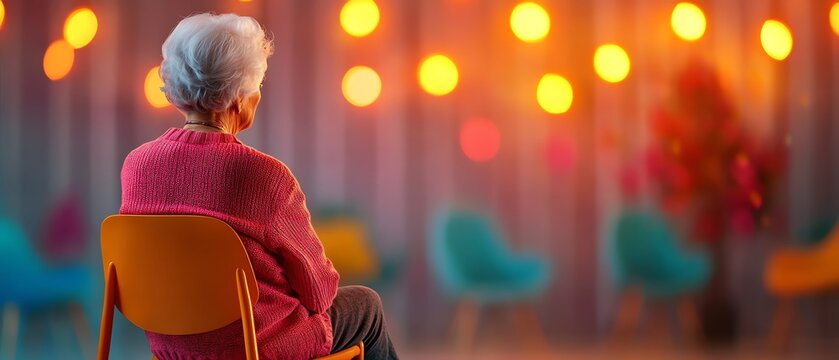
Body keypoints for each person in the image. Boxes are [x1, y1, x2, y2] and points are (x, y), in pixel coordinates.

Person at [120, 13, 398, 360]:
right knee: (366, 305)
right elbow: (319, 291)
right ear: (239, 96)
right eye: (258, 85)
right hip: (254, 346)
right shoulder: (264, 176)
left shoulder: (136, 166)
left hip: (172, 348)